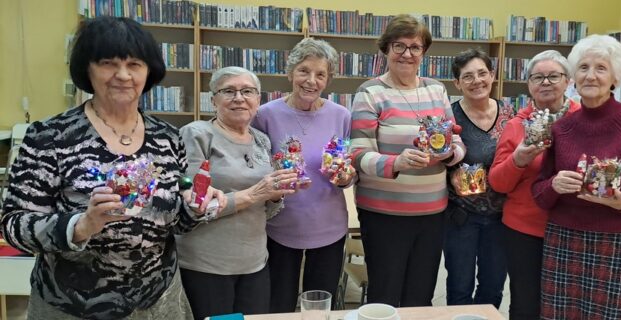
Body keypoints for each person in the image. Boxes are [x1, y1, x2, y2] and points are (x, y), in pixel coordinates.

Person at [0, 16, 226, 319]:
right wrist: (80, 226)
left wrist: (196, 206)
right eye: (108, 63)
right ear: (87, 69)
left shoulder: (167, 137)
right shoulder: (50, 136)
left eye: (134, 64)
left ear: (148, 71)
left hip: (159, 301)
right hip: (75, 305)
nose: (123, 75)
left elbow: (174, 223)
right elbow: (14, 225)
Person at [530, 34, 621, 319]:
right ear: (573, 77)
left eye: (601, 68)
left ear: (615, 77)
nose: (590, 76)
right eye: (583, 67)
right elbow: (539, 193)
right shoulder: (561, 129)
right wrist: (553, 185)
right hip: (566, 240)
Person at [350, 14, 466, 307]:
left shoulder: (436, 89)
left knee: (420, 296)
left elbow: (456, 142)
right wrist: (396, 163)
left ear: (424, 52)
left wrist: (449, 154)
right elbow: (358, 154)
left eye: (415, 47)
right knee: (385, 296)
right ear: (386, 49)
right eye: (399, 46)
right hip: (384, 215)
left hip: (432, 213)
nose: (407, 54)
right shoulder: (370, 92)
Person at [177, 66, 297, 319]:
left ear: (258, 99)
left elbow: (266, 210)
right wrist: (254, 193)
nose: (239, 98)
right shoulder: (197, 134)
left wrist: (276, 193)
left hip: (255, 262)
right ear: (213, 100)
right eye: (229, 91)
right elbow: (194, 207)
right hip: (208, 265)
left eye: (247, 91)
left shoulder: (262, 140)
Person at [251, 38, 355, 313]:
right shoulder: (265, 115)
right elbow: (255, 168)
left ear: (328, 79)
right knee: (278, 306)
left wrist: (345, 177)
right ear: (290, 73)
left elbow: (346, 171)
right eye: (304, 71)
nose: (311, 81)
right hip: (280, 226)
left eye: (320, 74)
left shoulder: (341, 116)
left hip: (329, 227)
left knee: (320, 306)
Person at [488, 50, 581, 319]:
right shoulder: (516, 125)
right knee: (526, 303)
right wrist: (517, 159)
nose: (545, 82)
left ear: (568, 81)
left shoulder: (584, 120)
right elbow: (498, 183)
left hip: (574, 227)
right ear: (529, 84)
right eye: (538, 77)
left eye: (553, 76)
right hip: (524, 229)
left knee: (567, 303)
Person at [443, 48, 509, 309]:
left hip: (502, 217)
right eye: (467, 76)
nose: (477, 81)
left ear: (492, 75)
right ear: (457, 83)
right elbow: (436, 159)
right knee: (460, 287)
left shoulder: (510, 114)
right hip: (461, 216)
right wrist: (450, 178)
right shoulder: (448, 117)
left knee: (493, 287)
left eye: (482, 73)